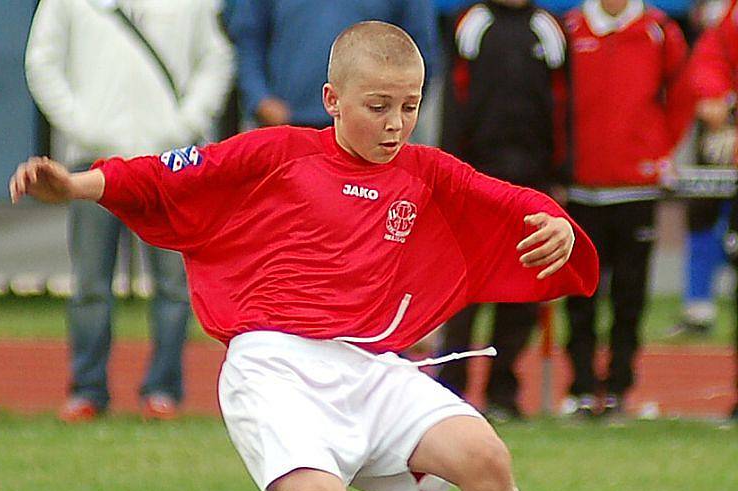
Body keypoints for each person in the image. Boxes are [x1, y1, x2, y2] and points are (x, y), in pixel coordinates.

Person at [11, 21, 607, 491]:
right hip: (272, 366)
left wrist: (555, 221)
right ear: (331, 98)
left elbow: (503, 199)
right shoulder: (278, 152)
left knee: (486, 459)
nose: (395, 123)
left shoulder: (423, 169)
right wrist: (75, 184)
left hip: (368, 364)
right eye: (377, 105)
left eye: (410, 106)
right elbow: (162, 172)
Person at [25, 0, 233, 421]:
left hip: (169, 163)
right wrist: (84, 125)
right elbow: (42, 62)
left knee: (174, 284)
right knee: (90, 283)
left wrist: (185, 122)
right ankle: (87, 390)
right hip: (92, 160)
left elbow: (216, 58)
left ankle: (163, 392)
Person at [436, 0, 569, 420]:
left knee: (521, 290)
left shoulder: (549, 29)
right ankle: (451, 390)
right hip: (475, 183)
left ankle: (502, 392)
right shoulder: (470, 25)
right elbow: (453, 105)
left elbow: (565, 107)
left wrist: (561, 173)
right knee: (463, 292)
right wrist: (451, 175)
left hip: (533, 184)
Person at [562, 0, 691, 418]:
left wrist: (656, 148)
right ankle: (581, 387)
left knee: (629, 295)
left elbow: (684, 94)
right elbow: (555, 101)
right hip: (581, 190)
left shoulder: (659, 30)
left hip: (636, 191)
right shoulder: (570, 29)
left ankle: (618, 387)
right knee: (580, 296)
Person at [228, 0, 438, 129]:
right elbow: (248, 38)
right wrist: (259, 98)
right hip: (286, 124)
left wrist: (393, 114)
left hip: (368, 136)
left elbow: (420, 49)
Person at [687, 0, 738, 418]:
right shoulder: (729, 17)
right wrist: (714, 96)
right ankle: (697, 303)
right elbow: (710, 58)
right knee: (704, 213)